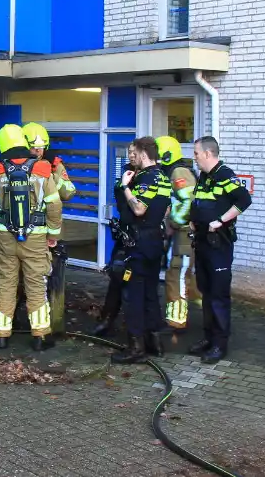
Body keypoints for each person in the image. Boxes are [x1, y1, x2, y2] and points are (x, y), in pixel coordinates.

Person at [0, 124, 63, 351]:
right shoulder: (42, 169)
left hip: (4, 238)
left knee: (5, 283)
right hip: (35, 238)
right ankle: (40, 336)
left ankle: (1, 334)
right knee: (36, 284)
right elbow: (54, 204)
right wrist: (53, 235)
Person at [188, 135, 252, 363]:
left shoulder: (225, 174)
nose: (194, 158)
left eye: (196, 153)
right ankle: (208, 338)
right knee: (206, 292)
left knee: (218, 295)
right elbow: (200, 202)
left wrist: (221, 220)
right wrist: (194, 220)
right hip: (203, 242)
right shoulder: (205, 176)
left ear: (207, 153)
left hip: (219, 245)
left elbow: (244, 200)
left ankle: (220, 344)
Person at [110, 137, 172, 364]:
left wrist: (126, 187)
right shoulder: (164, 176)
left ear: (144, 153)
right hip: (155, 241)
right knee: (150, 292)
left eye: (133, 152)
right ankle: (155, 343)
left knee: (133, 294)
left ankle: (136, 348)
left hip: (139, 243)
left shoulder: (147, 177)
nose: (131, 156)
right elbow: (166, 209)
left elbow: (138, 208)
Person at [23, 122, 74, 335]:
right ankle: (22, 319)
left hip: (49, 233)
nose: (39, 151)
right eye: (34, 147)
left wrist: (52, 177)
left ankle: (51, 321)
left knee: (48, 279)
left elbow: (69, 192)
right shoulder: (17, 166)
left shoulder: (55, 165)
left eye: (42, 147)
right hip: (23, 233)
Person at [157, 135, 202, 332]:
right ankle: (204, 309)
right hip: (181, 233)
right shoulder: (174, 172)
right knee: (182, 274)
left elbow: (188, 202)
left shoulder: (178, 172)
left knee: (177, 274)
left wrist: (173, 223)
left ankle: (176, 321)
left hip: (183, 234)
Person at [91, 154, 137, 337]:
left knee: (139, 286)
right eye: (131, 152)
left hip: (143, 239)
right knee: (117, 280)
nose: (132, 155)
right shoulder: (126, 173)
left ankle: (141, 331)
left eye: (136, 152)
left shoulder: (152, 177)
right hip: (125, 237)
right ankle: (107, 320)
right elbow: (120, 198)